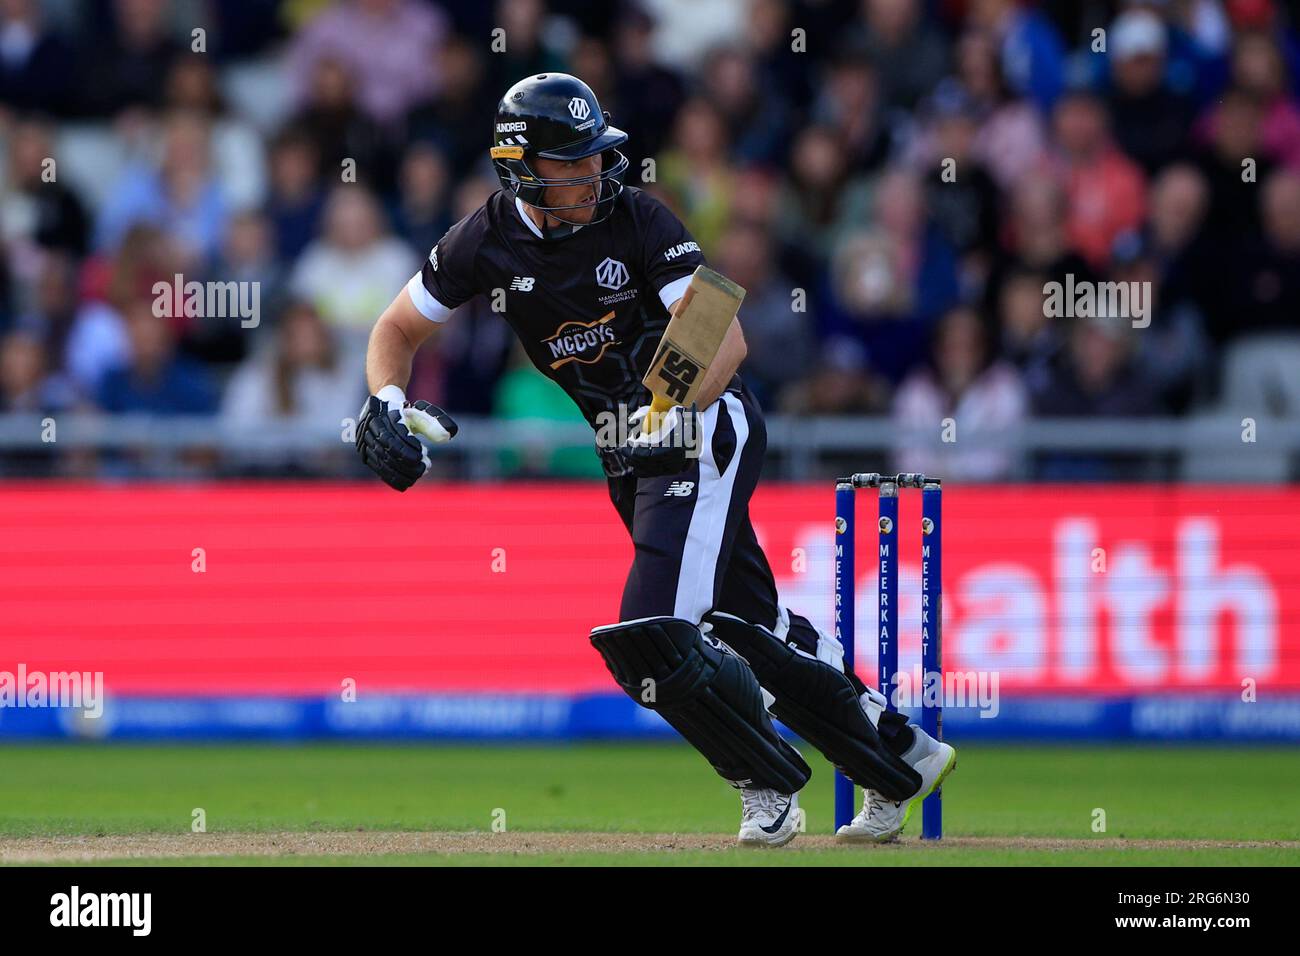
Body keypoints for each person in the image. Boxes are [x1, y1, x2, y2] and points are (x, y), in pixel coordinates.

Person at [354, 73, 956, 846]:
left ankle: (765, 785)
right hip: (629, 459)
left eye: (594, 155)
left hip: (704, 429)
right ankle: (901, 756)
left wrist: (662, 410)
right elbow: (394, 332)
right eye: (570, 161)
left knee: (651, 634)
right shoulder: (482, 239)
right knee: (751, 625)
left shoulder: (640, 218)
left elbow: (721, 337)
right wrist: (385, 403)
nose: (592, 174)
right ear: (520, 167)